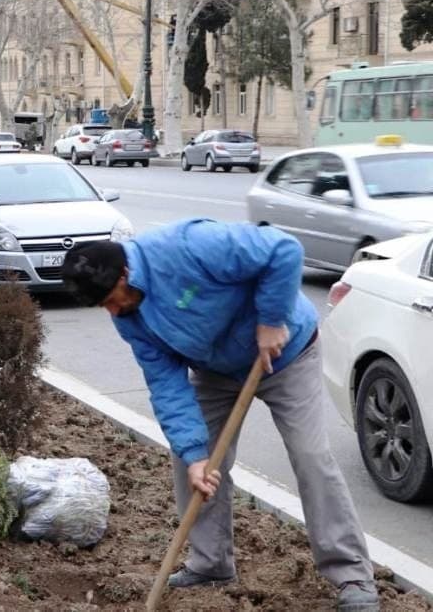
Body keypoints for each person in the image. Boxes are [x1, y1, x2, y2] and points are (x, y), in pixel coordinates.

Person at [60, 219, 379, 612]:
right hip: (219, 371)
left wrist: (271, 319)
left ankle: (351, 574)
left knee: (311, 456)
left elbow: (283, 249)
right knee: (192, 462)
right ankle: (211, 563)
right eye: (103, 306)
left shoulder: (188, 245)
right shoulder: (129, 319)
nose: (113, 310)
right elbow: (166, 385)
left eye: (112, 298)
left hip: (286, 352)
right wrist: (195, 454)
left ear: (125, 272)